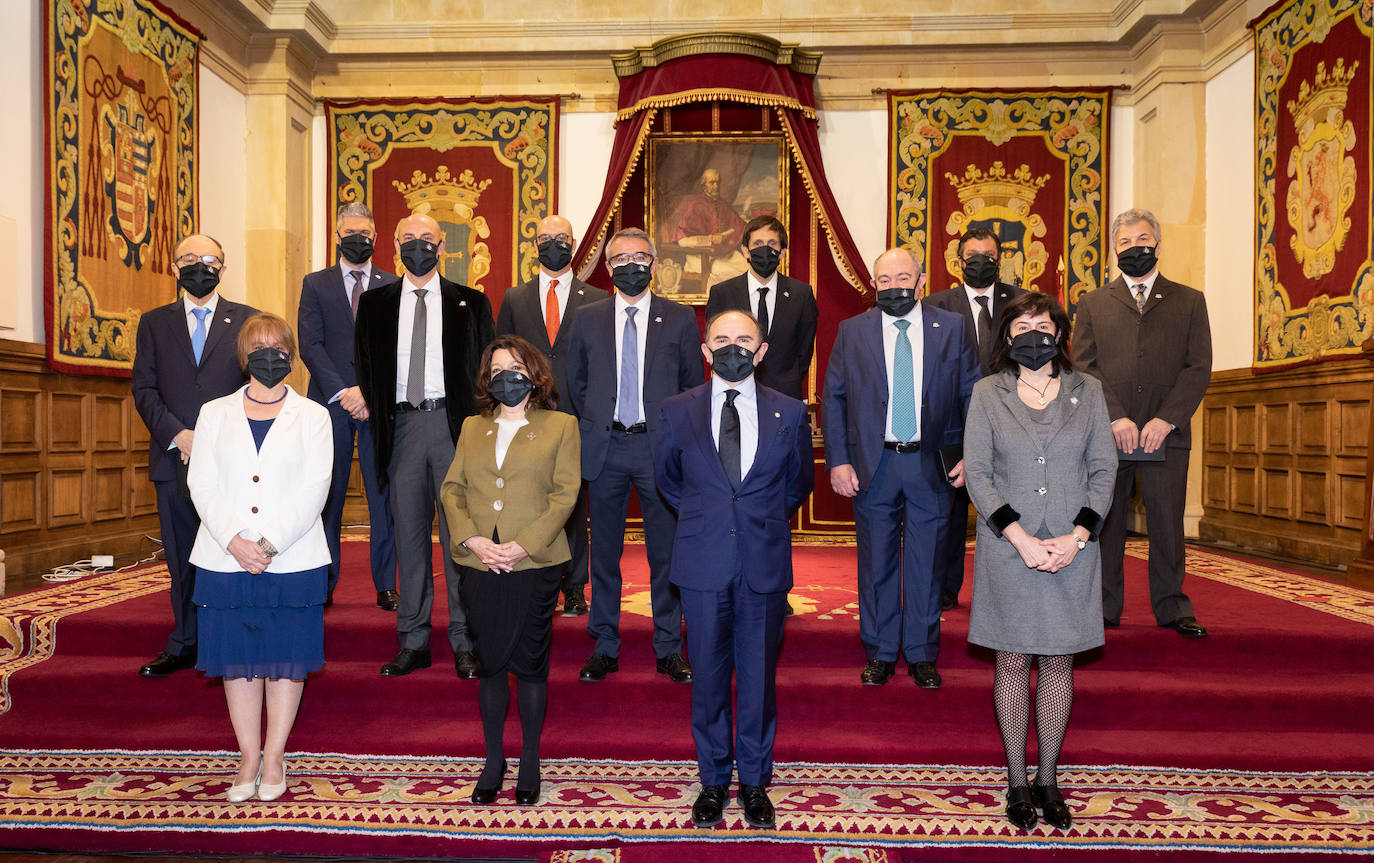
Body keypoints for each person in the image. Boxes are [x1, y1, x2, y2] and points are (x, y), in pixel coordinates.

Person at [962, 291, 1116, 831]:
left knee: (1056, 663)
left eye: (1043, 324)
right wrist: (1020, 537)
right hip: (1010, 547)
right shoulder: (987, 393)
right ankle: (1016, 781)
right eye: (1022, 325)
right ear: (1007, 336)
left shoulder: (1089, 391)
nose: (1033, 333)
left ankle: (1048, 778)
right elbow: (977, 472)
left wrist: (1077, 537)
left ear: (1059, 333)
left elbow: (1103, 469)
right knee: (1011, 662)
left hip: (1072, 550)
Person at [655, 310, 813, 830]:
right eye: (721, 339)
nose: (732, 348)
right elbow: (669, 482)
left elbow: (797, 485)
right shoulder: (676, 410)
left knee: (759, 679)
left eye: (744, 340)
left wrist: (754, 518)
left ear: (762, 350)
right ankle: (713, 780)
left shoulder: (789, 412)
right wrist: (712, 516)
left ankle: (754, 782)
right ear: (705, 350)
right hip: (702, 564)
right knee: (709, 680)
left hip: (763, 563)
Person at [186, 313, 332, 803]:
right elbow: (201, 483)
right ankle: (247, 754)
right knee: (237, 662)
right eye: (259, 346)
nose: (269, 354)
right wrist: (233, 540)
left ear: (291, 355)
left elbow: (316, 489)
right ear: (244, 356)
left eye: (278, 346)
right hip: (225, 557)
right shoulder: (212, 412)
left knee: (285, 660)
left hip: (291, 558)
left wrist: (267, 544)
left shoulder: (314, 416)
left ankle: (274, 755)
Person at [822, 247, 980, 689]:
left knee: (927, 564)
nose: (894, 286)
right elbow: (833, 398)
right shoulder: (852, 331)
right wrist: (838, 460)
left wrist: (972, 453)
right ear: (873, 284)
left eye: (902, 278)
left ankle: (922, 653)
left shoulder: (951, 327)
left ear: (921, 279)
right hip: (874, 464)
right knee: (876, 564)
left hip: (933, 464)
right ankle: (881, 651)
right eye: (884, 280)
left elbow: (973, 394)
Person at [440, 335, 580, 806]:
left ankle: (531, 760)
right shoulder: (471, 427)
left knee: (531, 664)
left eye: (516, 367)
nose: (507, 376)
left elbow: (565, 495)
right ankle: (494, 759)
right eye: (497, 369)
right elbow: (452, 489)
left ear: (534, 373)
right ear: (486, 378)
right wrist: (473, 539)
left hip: (534, 562)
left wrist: (523, 545)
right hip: (480, 562)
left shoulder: (561, 426)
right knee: (492, 664)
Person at [355, 212, 495, 677]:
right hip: (402, 430)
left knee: (462, 538)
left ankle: (465, 639)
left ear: (443, 246)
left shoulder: (471, 304)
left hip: (455, 430)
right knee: (410, 538)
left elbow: (485, 374)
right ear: (394, 246)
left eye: (427, 239)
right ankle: (413, 639)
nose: (418, 246)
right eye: (408, 239)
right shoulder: (374, 305)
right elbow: (366, 369)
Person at [566, 227, 701, 684]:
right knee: (604, 553)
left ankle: (667, 646)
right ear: (607, 267)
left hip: (657, 448)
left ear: (655, 263)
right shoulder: (586, 318)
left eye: (640, 257)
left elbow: (689, 387)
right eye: (620, 258)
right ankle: (605, 644)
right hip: (605, 448)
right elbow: (577, 382)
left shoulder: (680, 319)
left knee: (666, 553)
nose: (630, 265)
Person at [1071, 208, 1213, 638]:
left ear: (1158, 243)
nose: (1136, 248)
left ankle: (1172, 607)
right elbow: (1083, 365)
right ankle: (1103, 606)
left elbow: (1198, 367)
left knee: (1167, 524)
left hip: (1164, 437)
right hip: (1108, 436)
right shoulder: (1093, 303)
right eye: (1126, 242)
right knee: (1106, 524)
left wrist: (1166, 420)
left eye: (1143, 239)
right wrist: (1115, 417)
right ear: (1115, 249)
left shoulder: (1189, 301)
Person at [132, 234, 256, 678]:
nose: (198, 266)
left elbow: (256, 389)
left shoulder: (247, 321)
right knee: (182, 557)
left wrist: (217, 440)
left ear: (223, 268)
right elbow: (143, 389)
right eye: (188, 258)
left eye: (208, 260)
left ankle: (233, 640)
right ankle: (185, 641)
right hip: (173, 458)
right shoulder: (153, 322)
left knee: (232, 551)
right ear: (173, 267)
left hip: (233, 463)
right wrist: (179, 436)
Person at [495, 214, 607, 616]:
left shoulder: (596, 297)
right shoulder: (515, 297)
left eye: (561, 238)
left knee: (573, 503)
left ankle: (575, 585)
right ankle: (533, 574)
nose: (553, 243)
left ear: (574, 244)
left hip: (578, 413)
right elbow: (502, 353)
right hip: (528, 411)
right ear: (535, 244)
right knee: (528, 497)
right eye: (546, 238)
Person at [298, 202, 400, 611]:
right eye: (350, 234)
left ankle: (385, 585)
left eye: (366, 234)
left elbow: (397, 348)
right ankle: (323, 583)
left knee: (383, 499)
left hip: (377, 405)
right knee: (327, 497)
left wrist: (368, 392)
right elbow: (310, 344)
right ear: (337, 237)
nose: (358, 240)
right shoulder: (315, 283)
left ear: (375, 238)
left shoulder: (393, 284)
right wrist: (345, 392)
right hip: (328, 405)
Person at [925, 227, 1026, 610]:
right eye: (973, 255)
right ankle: (946, 588)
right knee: (949, 514)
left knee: (1007, 506)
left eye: (989, 255)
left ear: (999, 259)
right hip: (952, 424)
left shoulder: (1022, 301)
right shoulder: (936, 305)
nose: (981, 262)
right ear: (958, 260)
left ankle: (1006, 587)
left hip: (1010, 422)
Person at [704, 215, 819, 402]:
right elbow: (715, 344)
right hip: (733, 393)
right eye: (757, 243)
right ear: (745, 251)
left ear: (782, 252)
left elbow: (804, 351)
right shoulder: (722, 293)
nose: (764, 249)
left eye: (772, 243)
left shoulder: (801, 294)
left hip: (784, 396)